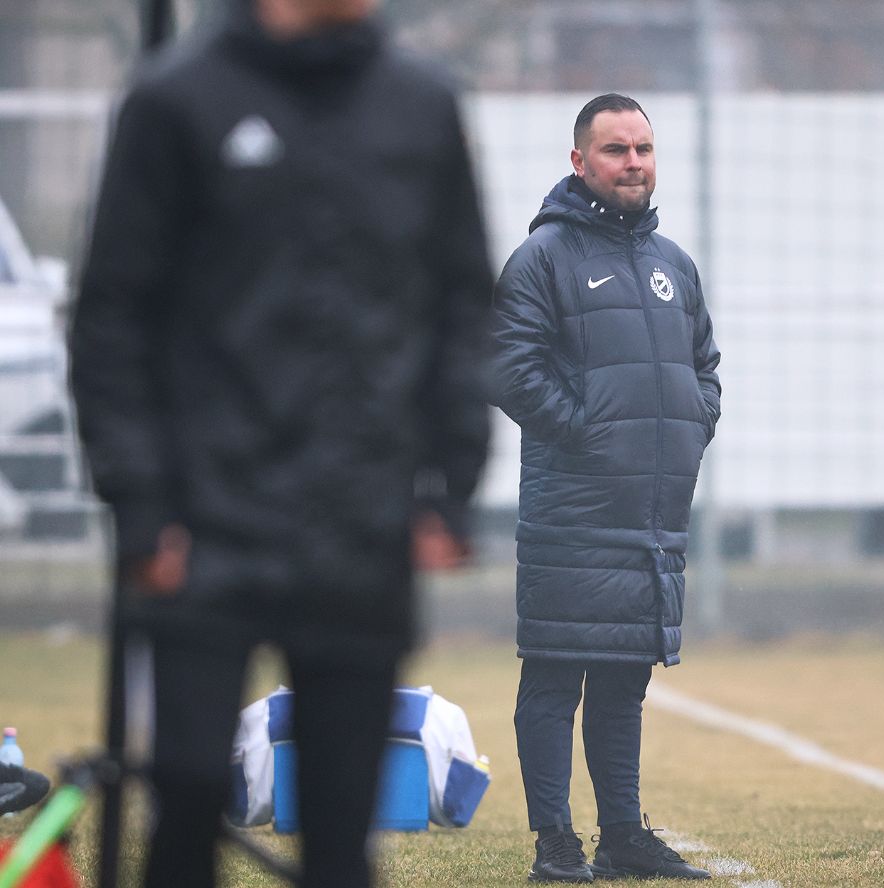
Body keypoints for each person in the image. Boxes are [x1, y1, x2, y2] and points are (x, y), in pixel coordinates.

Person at [68, 0, 493, 884]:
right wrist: (141, 505)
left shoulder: (422, 104)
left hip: (362, 524)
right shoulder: (175, 100)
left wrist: (450, 485)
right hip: (203, 524)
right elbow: (112, 317)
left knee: (342, 833)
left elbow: (462, 305)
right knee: (189, 798)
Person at [490, 93, 721, 883]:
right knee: (554, 674)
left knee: (624, 680)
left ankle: (622, 835)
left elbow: (705, 367)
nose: (633, 163)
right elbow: (510, 368)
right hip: (573, 510)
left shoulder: (673, 265)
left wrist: (693, 424)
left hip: (652, 514)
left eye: (643, 148)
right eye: (616, 149)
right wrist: (588, 433)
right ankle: (555, 845)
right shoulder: (543, 258)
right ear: (579, 161)